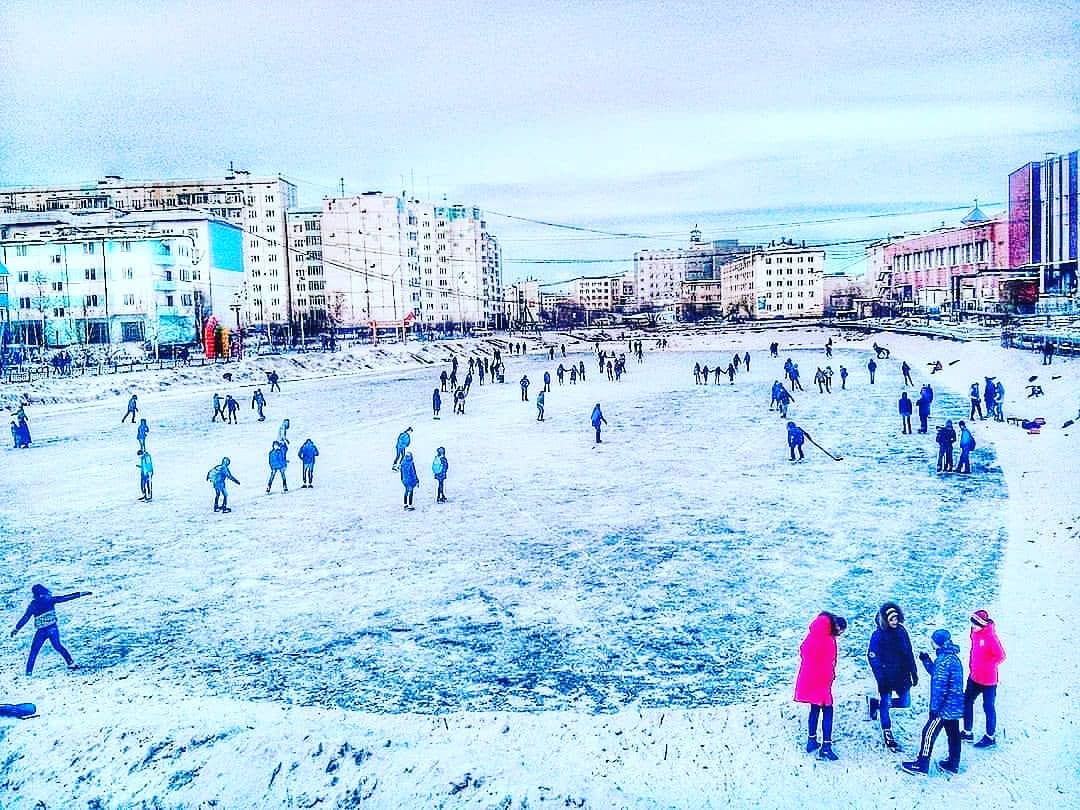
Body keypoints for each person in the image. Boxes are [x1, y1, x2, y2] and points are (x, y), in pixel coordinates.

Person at [901, 629, 965, 776]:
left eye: (933, 641)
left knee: (928, 733)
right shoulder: (951, 658)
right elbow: (937, 674)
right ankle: (953, 763)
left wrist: (935, 710)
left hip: (944, 708)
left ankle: (922, 764)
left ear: (938, 643)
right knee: (953, 733)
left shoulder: (943, 661)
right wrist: (926, 661)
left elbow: (940, 688)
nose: (932, 643)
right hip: (954, 706)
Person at [794, 611, 847, 761]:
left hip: (810, 679)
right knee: (828, 712)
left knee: (814, 709)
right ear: (836, 626)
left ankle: (811, 741)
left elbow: (803, 651)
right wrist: (830, 677)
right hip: (822, 682)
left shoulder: (813, 634)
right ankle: (826, 747)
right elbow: (829, 663)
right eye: (840, 632)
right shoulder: (828, 640)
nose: (839, 635)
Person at [867, 602, 919, 753]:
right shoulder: (877, 636)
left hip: (902, 675)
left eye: (896, 618)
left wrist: (913, 671)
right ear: (885, 620)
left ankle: (875, 704)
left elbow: (909, 652)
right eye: (892, 619)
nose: (895, 621)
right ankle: (887, 732)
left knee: (905, 702)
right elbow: (873, 658)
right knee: (886, 702)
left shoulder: (902, 631)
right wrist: (881, 678)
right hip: (886, 677)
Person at [10, 584, 91, 675]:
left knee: (34, 651)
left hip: (41, 631)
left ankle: (29, 672)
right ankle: (71, 663)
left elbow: (25, 617)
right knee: (58, 646)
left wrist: (16, 629)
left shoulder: (33, 605)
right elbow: (65, 598)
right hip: (53, 628)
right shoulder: (49, 600)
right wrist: (81, 594)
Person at [963, 609, 1006, 748]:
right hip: (974, 677)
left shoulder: (990, 637)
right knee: (967, 701)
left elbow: (1001, 656)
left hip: (988, 681)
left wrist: (986, 665)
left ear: (982, 625)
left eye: (975, 624)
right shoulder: (974, 633)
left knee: (988, 707)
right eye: (972, 624)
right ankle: (967, 731)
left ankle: (990, 737)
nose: (973, 627)